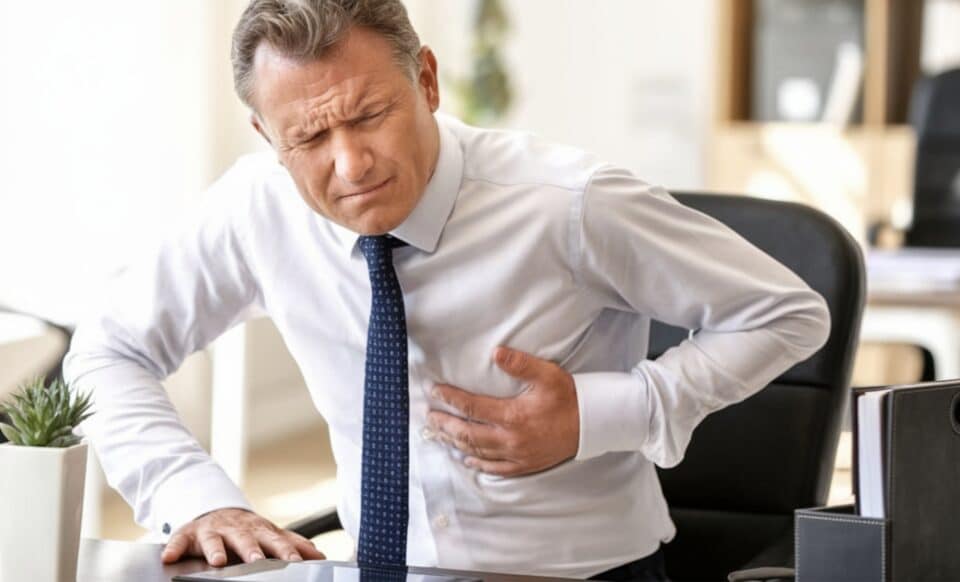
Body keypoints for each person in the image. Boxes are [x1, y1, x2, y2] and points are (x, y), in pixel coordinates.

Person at [64, 1, 831, 580]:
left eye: (370, 116)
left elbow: (787, 313)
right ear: (269, 139)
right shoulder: (255, 207)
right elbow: (108, 350)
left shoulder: (569, 203)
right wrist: (193, 495)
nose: (351, 164)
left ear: (425, 81)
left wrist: (601, 414)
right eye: (309, 139)